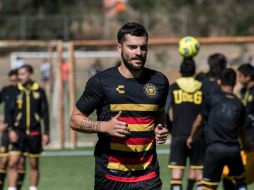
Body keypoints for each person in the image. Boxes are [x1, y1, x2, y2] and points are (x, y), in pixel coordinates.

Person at [70, 22, 169, 190]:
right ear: (119, 48)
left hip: (148, 177)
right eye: (132, 47)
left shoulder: (159, 81)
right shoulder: (101, 82)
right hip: (111, 177)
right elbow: (74, 119)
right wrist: (103, 126)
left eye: (143, 47)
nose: (138, 52)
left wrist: (160, 129)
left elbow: (158, 114)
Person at [187, 68, 248, 190]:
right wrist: (245, 144)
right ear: (235, 82)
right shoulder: (238, 103)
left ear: (219, 82)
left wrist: (191, 137)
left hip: (214, 150)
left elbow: (198, 122)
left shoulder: (211, 99)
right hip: (233, 150)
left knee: (209, 186)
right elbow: (242, 129)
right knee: (240, 182)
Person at [6, 64, 50, 190]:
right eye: (19, 74)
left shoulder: (39, 91)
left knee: (33, 163)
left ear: (30, 74)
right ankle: (12, 188)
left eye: (23, 74)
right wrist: (10, 130)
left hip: (34, 133)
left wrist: (46, 132)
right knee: (13, 162)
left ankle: (33, 188)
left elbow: (45, 114)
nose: (20, 77)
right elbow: (8, 113)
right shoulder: (14, 91)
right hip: (17, 132)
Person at [167, 58, 204, 190]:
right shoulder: (201, 87)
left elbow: (165, 111)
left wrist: (171, 128)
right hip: (198, 136)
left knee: (176, 176)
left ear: (180, 71)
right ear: (194, 71)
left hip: (178, 135)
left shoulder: (173, 87)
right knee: (200, 176)